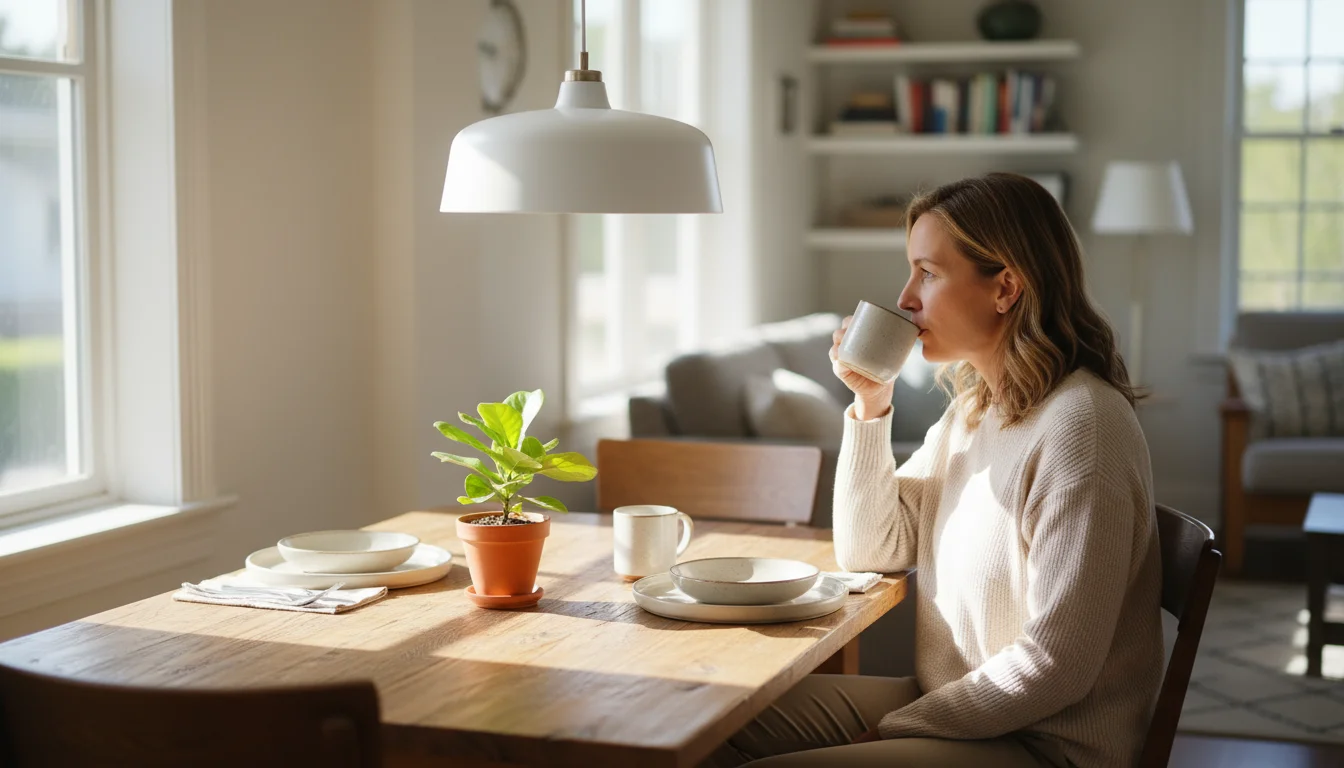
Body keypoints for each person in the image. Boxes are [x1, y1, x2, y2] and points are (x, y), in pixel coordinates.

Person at [709, 173, 1163, 767]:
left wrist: (900, 727)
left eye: (928, 272)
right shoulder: (977, 410)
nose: (905, 298)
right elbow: (871, 546)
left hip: (1044, 745)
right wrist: (871, 405)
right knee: (714, 720)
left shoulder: (1083, 427)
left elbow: (1056, 665)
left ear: (1006, 287)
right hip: (953, 707)